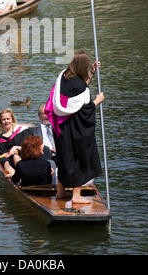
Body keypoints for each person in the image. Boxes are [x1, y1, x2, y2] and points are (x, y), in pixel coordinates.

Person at [45, 50, 104, 203]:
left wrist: (91, 73)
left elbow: (76, 97)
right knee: (78, 156)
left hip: (59, 127)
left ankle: (60, 191)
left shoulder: (63, 76)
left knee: (63, 157)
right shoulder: (79, 86)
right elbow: (83, 108)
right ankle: (76, 196)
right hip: (73, 129)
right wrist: (97, 101)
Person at [0, 108, 34, 177]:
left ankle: (24, 173)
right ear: (0, 121)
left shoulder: (21, 131)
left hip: (22, 158)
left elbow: (31, 142)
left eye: (8, 119)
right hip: (7, 161)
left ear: (12, 119)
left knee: (16, 156)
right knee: (3, 160)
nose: (6, 121)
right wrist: (5, 153)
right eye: (4, 119)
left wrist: (18, 147)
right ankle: (13, 174)